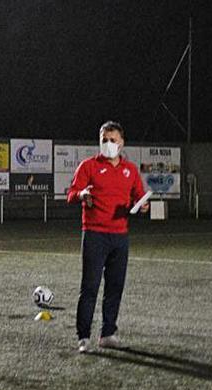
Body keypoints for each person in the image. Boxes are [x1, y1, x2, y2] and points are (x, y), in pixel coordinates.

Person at [66, 121, 148, 353]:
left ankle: (108, 333)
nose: (108, 144)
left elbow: (139, 197)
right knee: (89, 287)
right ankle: (83, 337)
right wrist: (82, 194)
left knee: (115, 287)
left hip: (120, 236)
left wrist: (142, 206)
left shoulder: (130, 170)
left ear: (122, 143)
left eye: (113, 140)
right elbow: (71, 194)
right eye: (104, 140)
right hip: (94, 234)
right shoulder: (88, 166)